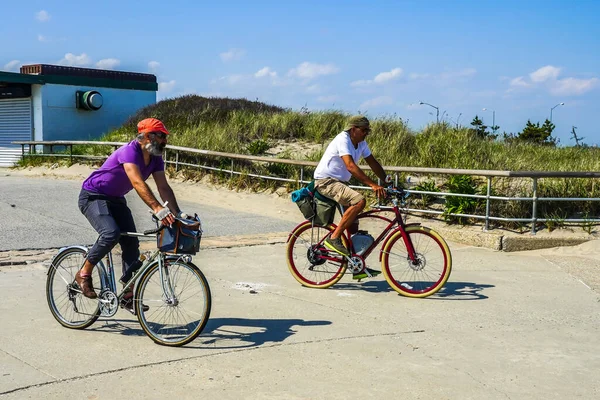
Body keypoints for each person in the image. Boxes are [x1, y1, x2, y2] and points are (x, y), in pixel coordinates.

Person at [75, 117, 182, 312]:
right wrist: (158, 209)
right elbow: (137, 183)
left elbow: (163, 187)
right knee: (110, 234)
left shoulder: (155, 157)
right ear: (148, 136)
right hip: (93, 197)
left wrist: (177, 213)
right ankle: (84, 272)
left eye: (165, 137)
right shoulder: (129, 151)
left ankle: (128, 294)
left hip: (116, 199)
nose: (165, 141)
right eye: (162, 136)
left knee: (131, 243)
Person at [314, 115, 387, 280]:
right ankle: (333, 238)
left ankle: (356, 265)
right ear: (353, 129)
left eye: (368, 130)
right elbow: (350, 166)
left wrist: (387, 180)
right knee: (360, 201)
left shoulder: (361, 143)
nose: (366, 133)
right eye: (364, 130)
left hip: (340, 183)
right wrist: (372, 185)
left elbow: (373, 162)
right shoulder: (343, 139)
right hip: (326, 181)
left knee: (353, 227)